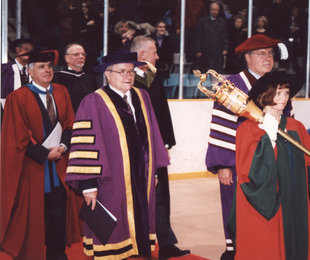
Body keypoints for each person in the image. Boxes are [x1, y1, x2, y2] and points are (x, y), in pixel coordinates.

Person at [64, 50, 169, 258]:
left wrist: (154, 171)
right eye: (122, 72)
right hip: (109, 181)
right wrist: (88, 185)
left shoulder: (142, 97)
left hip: (141, 178)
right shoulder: (93, 102)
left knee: (139, 229)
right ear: (108, 74)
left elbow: (152, 136)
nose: (128, 76)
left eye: (131, 71)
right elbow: (85, 145)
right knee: (112, 233)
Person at [234, 71, 310, 259]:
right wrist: (269, 139)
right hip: (269, 203)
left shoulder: (295, 127)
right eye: (277, 93)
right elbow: (248, 171)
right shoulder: (249, 129)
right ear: (264, 95)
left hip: (294, 201)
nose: (283, 98)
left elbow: (309, 161)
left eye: (286, 92)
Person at [205, 34, 288, 260]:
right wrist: (223, 164)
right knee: (234, 209)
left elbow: (286, 122)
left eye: (270, 53)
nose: (267, 58)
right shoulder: (232, 85)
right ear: (247, 58)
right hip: (238, 163)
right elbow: (221, 125)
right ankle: (236, 250)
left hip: (270, 162)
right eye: (261, 54)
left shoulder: (276, 84)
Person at [0, 50, 82, 259]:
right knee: (33, 217)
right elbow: (17, 134)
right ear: (29, 71)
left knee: (58, 214)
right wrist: (44, 154)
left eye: (49, 66)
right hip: (32, 169)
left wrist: (63, 147)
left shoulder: (62, 92)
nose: (47, 70)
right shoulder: (18, 97)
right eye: (41, 67)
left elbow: (70, 124)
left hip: (59, 167)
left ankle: (56, 254)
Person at [130, 35, 190, 258]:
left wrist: (166, 143)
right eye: (154, 52)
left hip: (158, 148)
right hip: (140, 149)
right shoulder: (131, 82)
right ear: (142, 54)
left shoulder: (151, 78)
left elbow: (162, 113)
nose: (157, 56)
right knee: (145, 196)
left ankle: (165, 243)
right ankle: (142, 244)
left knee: (162, 194)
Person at [52, 43, 98, 112]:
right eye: (76, 54)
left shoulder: (91, 79)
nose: (81, 57)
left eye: (83, 54)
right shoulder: (57, 78)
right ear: (66, 58)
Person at [194, 2, 229, 73]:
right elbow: (197, 37)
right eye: (213, 10)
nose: (214, 12)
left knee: (216, 71)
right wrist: (198, 50)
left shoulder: (222, 22)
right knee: (204, 71)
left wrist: (225, 48)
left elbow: (225, 36)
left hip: (217, 51)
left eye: (216, 10)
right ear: (209, 10)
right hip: (204, 51)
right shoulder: (202, 21)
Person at [1, 38, 34, 108]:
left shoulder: (35, 71)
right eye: (26, 49)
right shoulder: (4, 70)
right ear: (17, 49)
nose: (29, 52)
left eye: (31, 51)